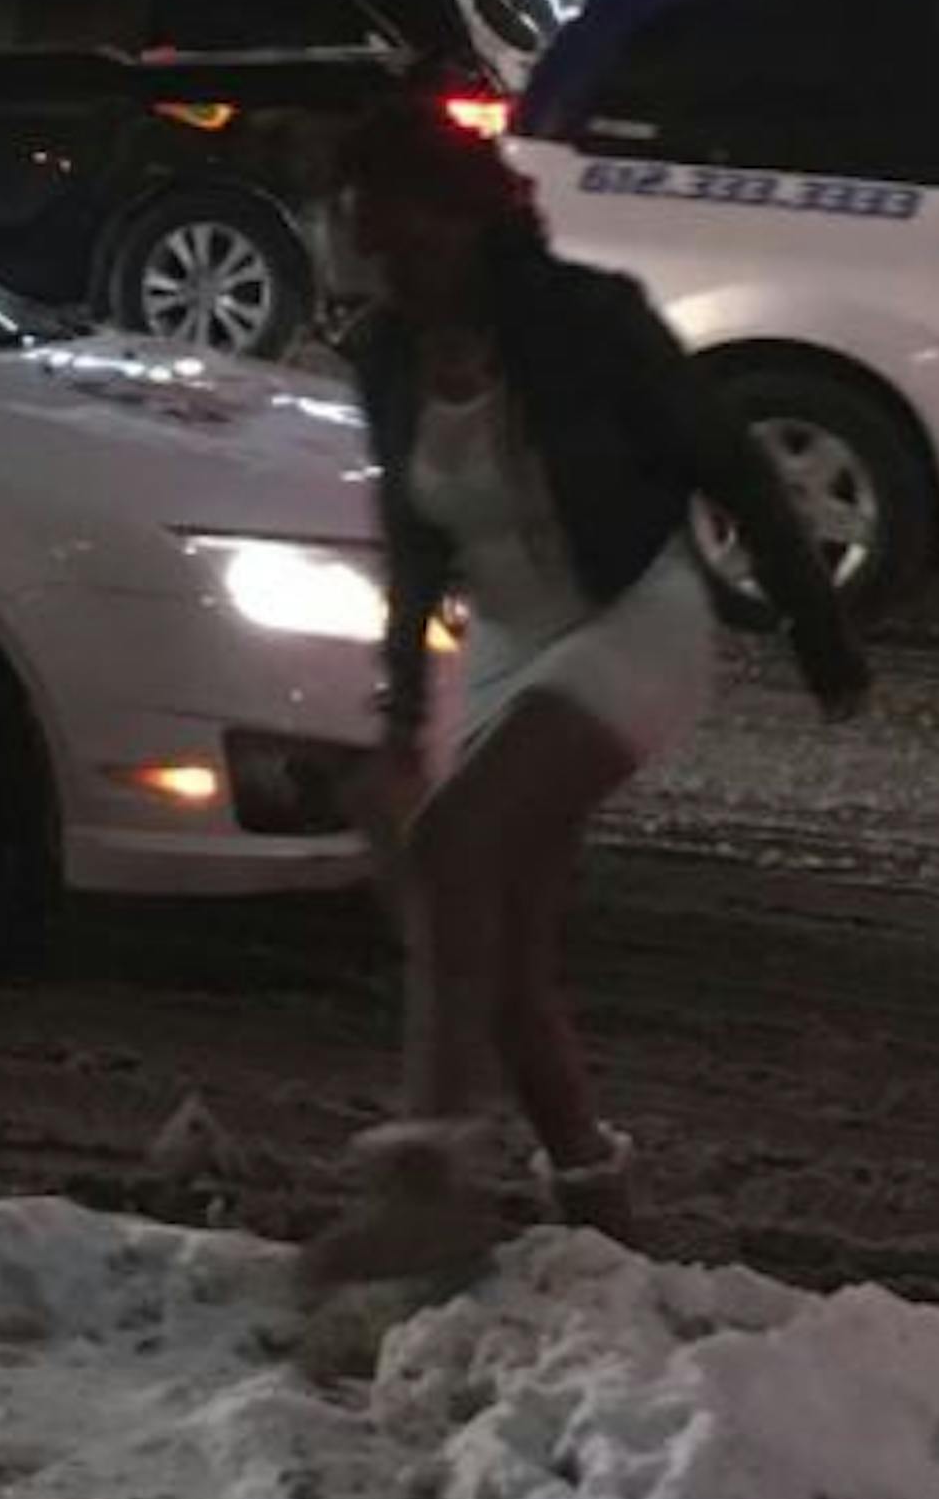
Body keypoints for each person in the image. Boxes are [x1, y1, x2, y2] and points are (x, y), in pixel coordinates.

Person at [302, 85, 870, 1287]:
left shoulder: (588, 319)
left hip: (631, 617)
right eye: (366, 239)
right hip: (509, 639)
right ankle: (598, 1204)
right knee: (496, 955)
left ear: (460, 220)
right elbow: (412, 541)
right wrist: (401, 712)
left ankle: (428, 1185)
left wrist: (817, 629)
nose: (382, 263)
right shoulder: (389, 353)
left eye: (399, 234)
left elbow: (732, 464)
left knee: (454, 847)